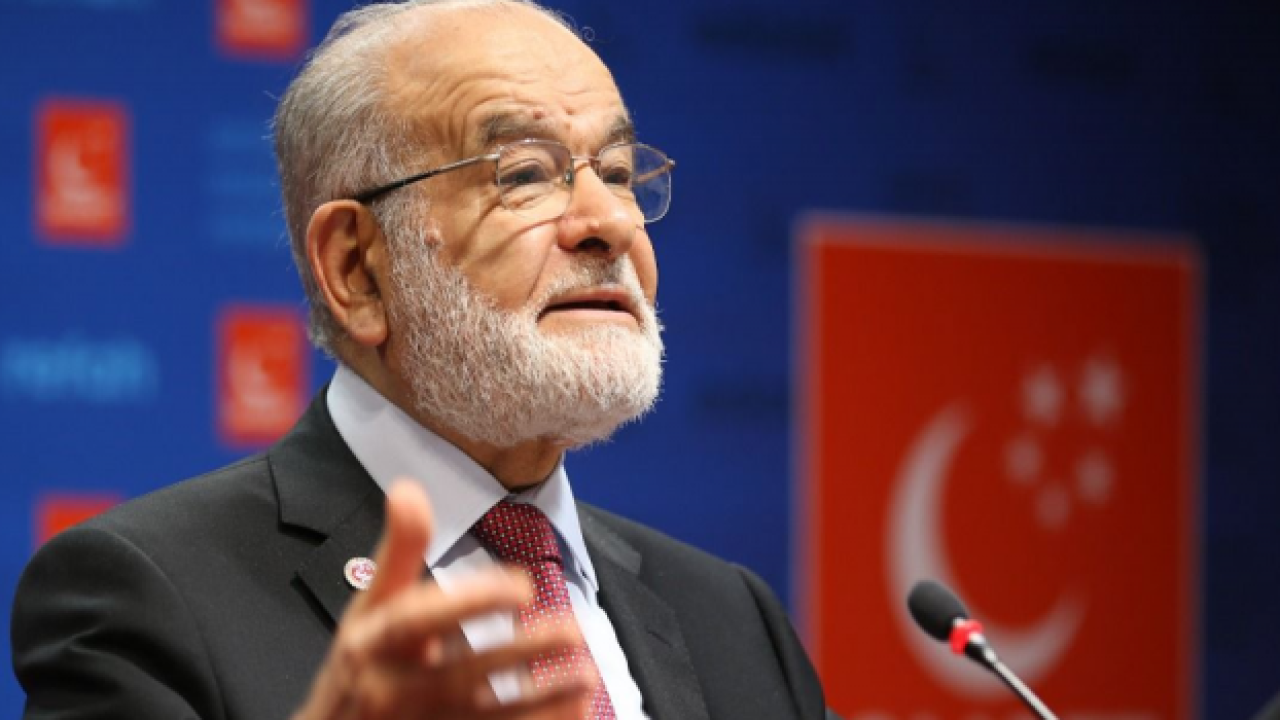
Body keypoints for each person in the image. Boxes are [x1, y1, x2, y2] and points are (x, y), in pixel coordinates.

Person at [12, 1, 834, 718]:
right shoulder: (148, 598)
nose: (611, 223)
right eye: (525, 174)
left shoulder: (733, 619)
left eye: (617, 174)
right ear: (356, 268)